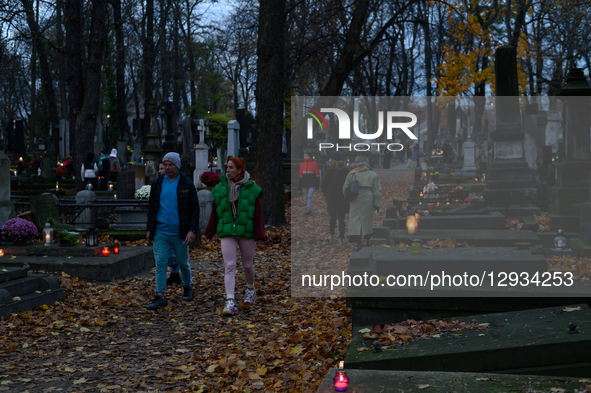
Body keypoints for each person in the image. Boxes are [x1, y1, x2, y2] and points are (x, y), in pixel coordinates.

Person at [204, 157, 265, 316]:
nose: (228, 171)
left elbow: (258, 213)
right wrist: (209, 233)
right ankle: (230, 301)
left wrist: (259, 234)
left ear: (240, 170)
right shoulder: (219, 189)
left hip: (246, 231)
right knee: (229, 266)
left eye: (231, 168)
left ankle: (250, 290)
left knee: (247, 265)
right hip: (227, 231)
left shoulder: (253, 189)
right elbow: (215, 213)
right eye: (227, 168)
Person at [146, 152, 199, 310]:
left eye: (171, 165)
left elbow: (194, 208)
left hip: (179, 232)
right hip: (161, 231)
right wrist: (150, 229)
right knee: (161, 262)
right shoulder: (157, 183)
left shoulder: (186, 184)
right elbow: (152, 207)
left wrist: (192, 230)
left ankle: (188, 286)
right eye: (165, 164)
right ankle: (160, 295)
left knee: (182, 262)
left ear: (177, 166)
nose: (168, 168)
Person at [343, 155, 382, 251]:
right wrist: (376, 203)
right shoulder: (372, 174)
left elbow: (345, 188)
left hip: (355, 197)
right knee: (367, 219)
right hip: (367, 198)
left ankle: (358, 242)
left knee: (356, 219)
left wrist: (348, 197)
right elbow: (377, 191)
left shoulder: (351, 174)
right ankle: (368, 239)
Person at [156, 160, 182, 286]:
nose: (162, 170)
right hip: (162, 226)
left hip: (175, 226)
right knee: (162, 259)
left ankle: (176, 274)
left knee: (177, 255)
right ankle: (160, 290)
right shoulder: (158, 184)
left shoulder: (180, 182)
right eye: (161, 168)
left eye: (164, 168)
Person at [321, 151, 349, 245]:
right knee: (341, 218)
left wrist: (326, 193)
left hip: (331, 197)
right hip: (342, 197)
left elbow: (323, 184)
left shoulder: (329, 170)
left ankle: (332, 236)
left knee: (332, 217)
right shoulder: (346, 171)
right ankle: (341, 238)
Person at [299, 150, 320, 214]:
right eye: (304, 156)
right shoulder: (302, 164)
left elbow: (317, 175)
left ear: (310, 156)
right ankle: (308, 208)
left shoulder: (315, 164)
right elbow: (300, 175)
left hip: (312, 183)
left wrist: (317, 184)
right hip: (304, 183)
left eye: (306, 156)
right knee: (307, 197)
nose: (305, 157)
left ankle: (309, 209)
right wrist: (299, 184)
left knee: (309, 196)